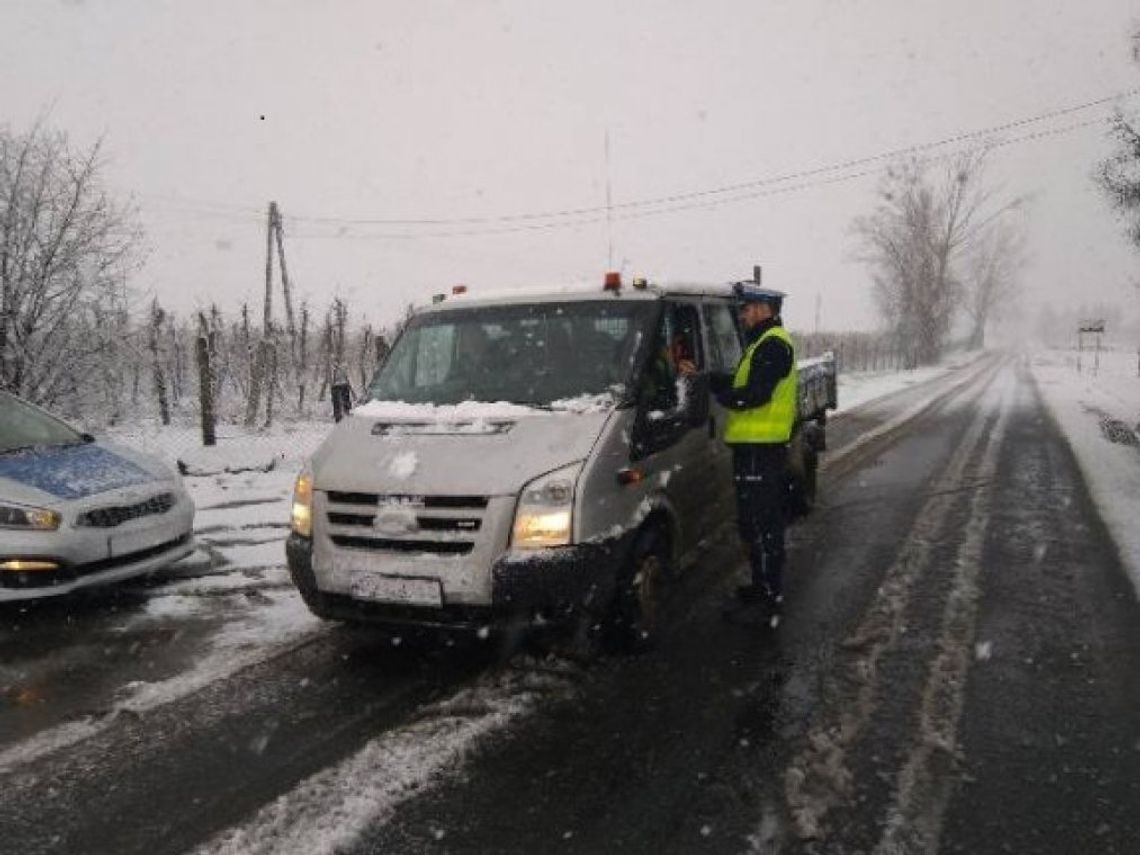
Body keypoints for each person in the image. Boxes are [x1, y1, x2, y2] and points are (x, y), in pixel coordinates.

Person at [711, 282, 797, 628]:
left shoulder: (773, 344)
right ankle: (762, 586)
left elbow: (755, 394)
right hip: (754, 449)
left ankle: (768, 597)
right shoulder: (763, 343)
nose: (743, 315)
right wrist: (711, 380)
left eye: (746, 309)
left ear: (764, 308)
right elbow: (742, 382)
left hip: (761, 450)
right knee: (753, 523)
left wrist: (722, 396)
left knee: (763, 526)